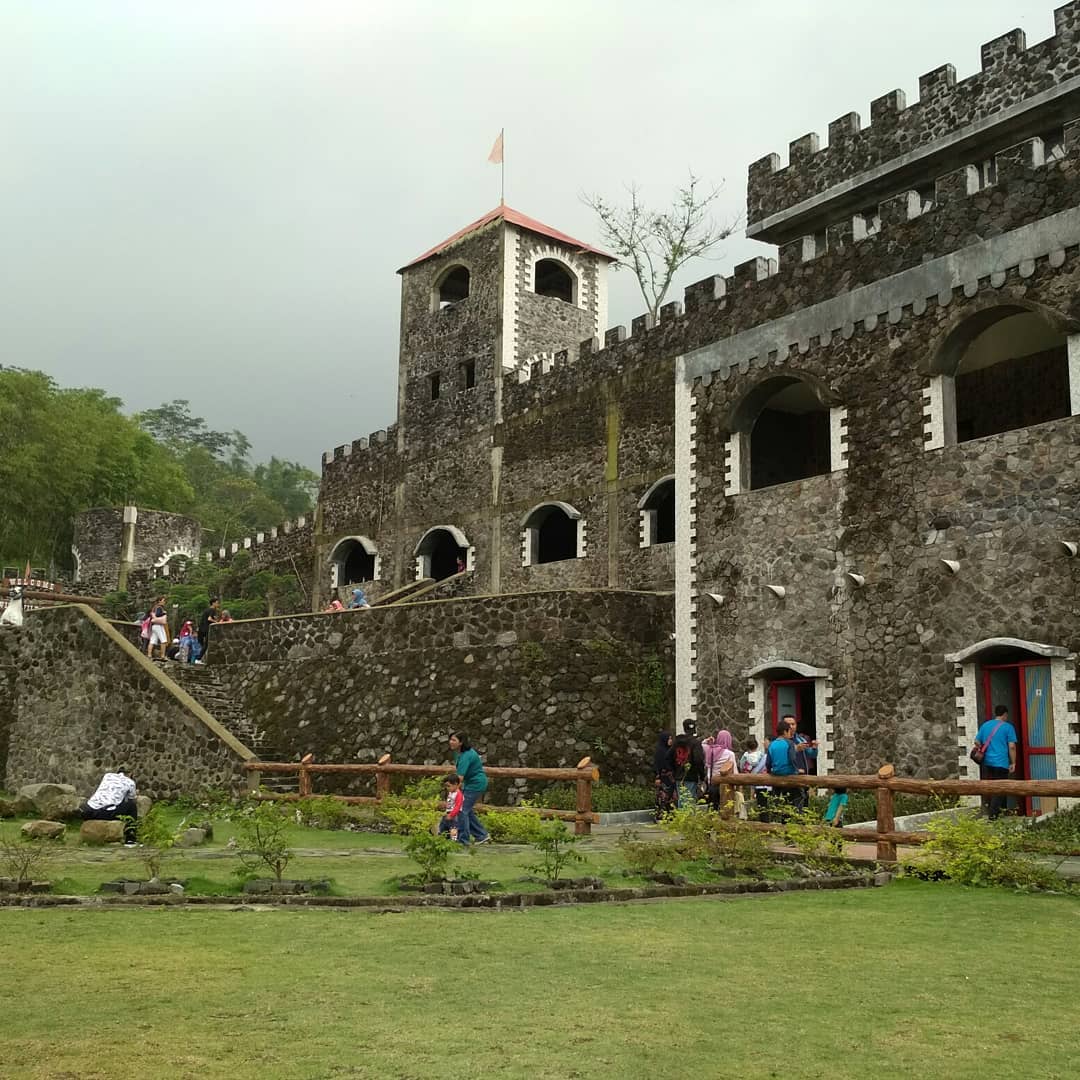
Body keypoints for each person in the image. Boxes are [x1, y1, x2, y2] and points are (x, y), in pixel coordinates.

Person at [974, 704, 1018, 820]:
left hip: (988, 762)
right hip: (1001, 762)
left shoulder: (985, 725)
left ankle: (1002, 812)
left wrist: (985, 748)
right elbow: (1012, 746)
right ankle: (993, 815)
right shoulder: (1008, 727)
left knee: (998, 787)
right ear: (1005, 714)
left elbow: (977, 741)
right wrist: (1013, 762)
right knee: (999, 789)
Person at [448, 732, 491, 846]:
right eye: (450, 739)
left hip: (476, 784)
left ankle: (463, 840)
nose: (451, 742)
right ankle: (482, 835)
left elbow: (460, 777)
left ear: (461, 742)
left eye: (454, 740)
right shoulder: (459, 753)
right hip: (470, 784)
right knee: (467, 811)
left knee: (461, 810)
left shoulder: (466, 755)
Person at [79, 768, 139, 845]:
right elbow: (132, 799)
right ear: (130, 774)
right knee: (132, 806)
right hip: (108, 812)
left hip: (90, 811)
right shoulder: (130, 782)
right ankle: (131, 837)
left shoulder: (107, 776)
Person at [766, 718, 803, 815]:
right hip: (789, 774)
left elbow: (768, 762)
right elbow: (792, 758)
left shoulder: (771, 745)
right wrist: (797, 770)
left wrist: (769, 771)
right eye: (789, 731)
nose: (790, 734)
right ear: (785, 731)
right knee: (798, 798)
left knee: (779, 801)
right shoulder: (789, 743)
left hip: (776, 774)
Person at [669, 720, 706, 809]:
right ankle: (688, 820)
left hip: (678, 775)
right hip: (691, 775)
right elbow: (698, 760)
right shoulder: (696, 743)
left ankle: (681, 820)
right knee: (689, 801)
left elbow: (668, 757)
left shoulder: (676, 742)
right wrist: (702, 776)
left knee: (681, 800)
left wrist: (674, 771)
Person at [703, 729, 737, 817]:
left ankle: (712, 826)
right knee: (725, 809)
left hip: (713, 783)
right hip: (726, 785)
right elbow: (734, 771)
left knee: (713, 808)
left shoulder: (711, 751)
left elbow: (702, 745)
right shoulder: (730, 754)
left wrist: (707, 740)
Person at [739, 736, 769, 819]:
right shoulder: (762, 755)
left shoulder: (745, 756)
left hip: (748, 778)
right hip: (760, 779)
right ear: (757, 745)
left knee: (749, 796)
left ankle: (748, 813)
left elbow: (741, 765)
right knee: (761, 801)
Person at [652, 732, 676, 820]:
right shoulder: (660, 751)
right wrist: (657, 777)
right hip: (663, 778)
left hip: (670, 778)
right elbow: (657, 765)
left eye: (671, 739)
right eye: (669, 739)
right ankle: (660, 815)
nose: (671, 741)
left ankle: (670, 815)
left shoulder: (670, 750)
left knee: (671, 796)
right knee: (662, 796)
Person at [437, 773, 465, 840]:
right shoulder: (451, 792)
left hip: (455, 815)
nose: (447, 788)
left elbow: (457, 807)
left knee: (453, 828)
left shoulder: (459, 795)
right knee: (443, 827)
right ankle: (442, 839)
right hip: (448, 813)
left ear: (455, 784)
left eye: (449, 786)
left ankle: (453, 842)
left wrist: (452, 815)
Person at [197, 597, 220, 663]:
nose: (218, 604)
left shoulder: (206, 610)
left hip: (201, 629)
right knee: (206, 644)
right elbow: (209, 619)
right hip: (206, 628)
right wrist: (216, 622)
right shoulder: (212, 610)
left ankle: (200, 658)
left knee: (203, 645)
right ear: (213, 603)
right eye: (217, 603)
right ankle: (198, 659)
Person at [146, 596, 169, 661]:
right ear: (159, 601)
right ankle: (163, 655)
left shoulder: (154, 607)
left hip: (154, 626)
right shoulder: (159, 608)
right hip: (159, 625)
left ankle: (149, 654)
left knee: (152, 640)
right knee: (163, 640)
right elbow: (158, 615)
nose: (164, 602)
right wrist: (164, 613)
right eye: (163, 600)